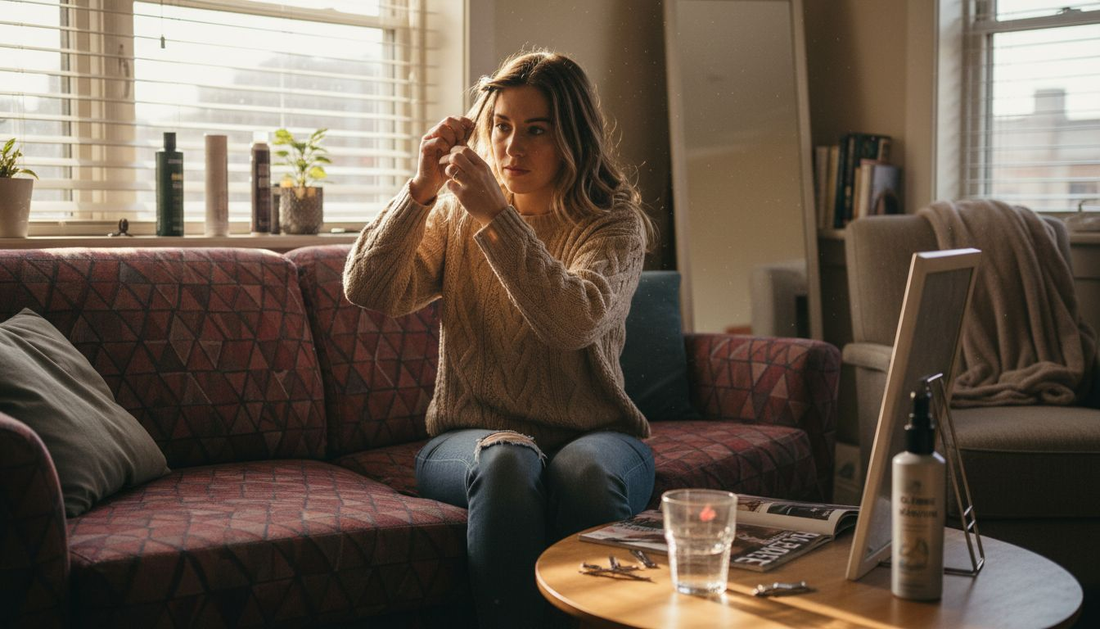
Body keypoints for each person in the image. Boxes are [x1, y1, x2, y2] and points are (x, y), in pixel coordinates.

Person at [343, 50, 656, 628]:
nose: (513, 148)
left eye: (537, 130)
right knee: (510, 459)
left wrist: (496, 215)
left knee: (582, 474)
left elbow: (572, 321)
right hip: (469, 439)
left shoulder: (612, 223)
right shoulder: (455, 216)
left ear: (573, 137)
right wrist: (420, 188)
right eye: (503, 127)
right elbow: (367, 287)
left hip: (596, 435)